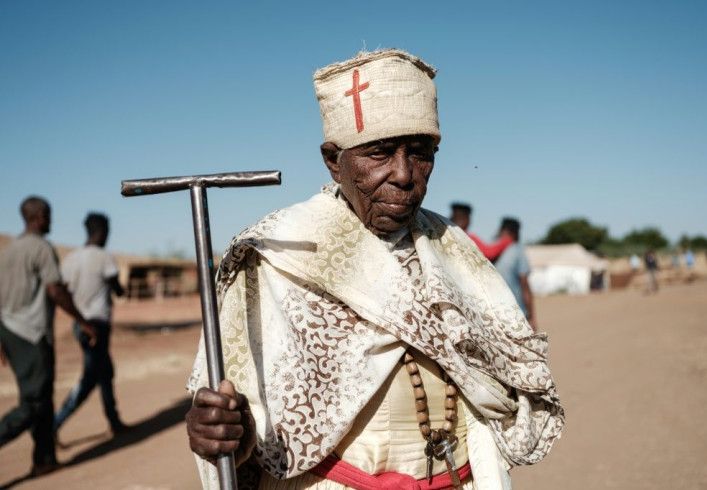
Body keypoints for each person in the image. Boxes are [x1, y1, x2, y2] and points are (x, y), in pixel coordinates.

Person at [185, 49, 564, 489]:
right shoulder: (276, 253)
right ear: (333, 161)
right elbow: (250, 414)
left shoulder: (453, 249)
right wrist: (230, 431)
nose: (404, 174)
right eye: (380, 153)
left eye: (420, 154)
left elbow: (505, 382)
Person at [0, 197, 95, 476]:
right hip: (31, 335)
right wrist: (82, 320)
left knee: (42, 398)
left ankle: (44, 459)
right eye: (50, 216)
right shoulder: (41, 248)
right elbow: (54, 290)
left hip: (9, 331)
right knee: (32, 404)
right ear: (40, 216)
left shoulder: (8, 251)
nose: (51, 221)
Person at [54, 213, 129, 438]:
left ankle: (114, 422)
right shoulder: (104, 257)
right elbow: (117, 289)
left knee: (105, 373)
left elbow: (62, 290)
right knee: (90, 379)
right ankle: (53, 426)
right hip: (97, 325)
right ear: (103, 231)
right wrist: (119, 289)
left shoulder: (71, 259)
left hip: (80, 324)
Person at [493, 218, 537, 332]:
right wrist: (532, 317)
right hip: (516, 313)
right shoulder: (517, 250)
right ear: (516, 232)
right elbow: (524, 283)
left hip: (492, 313)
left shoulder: (490, 249)